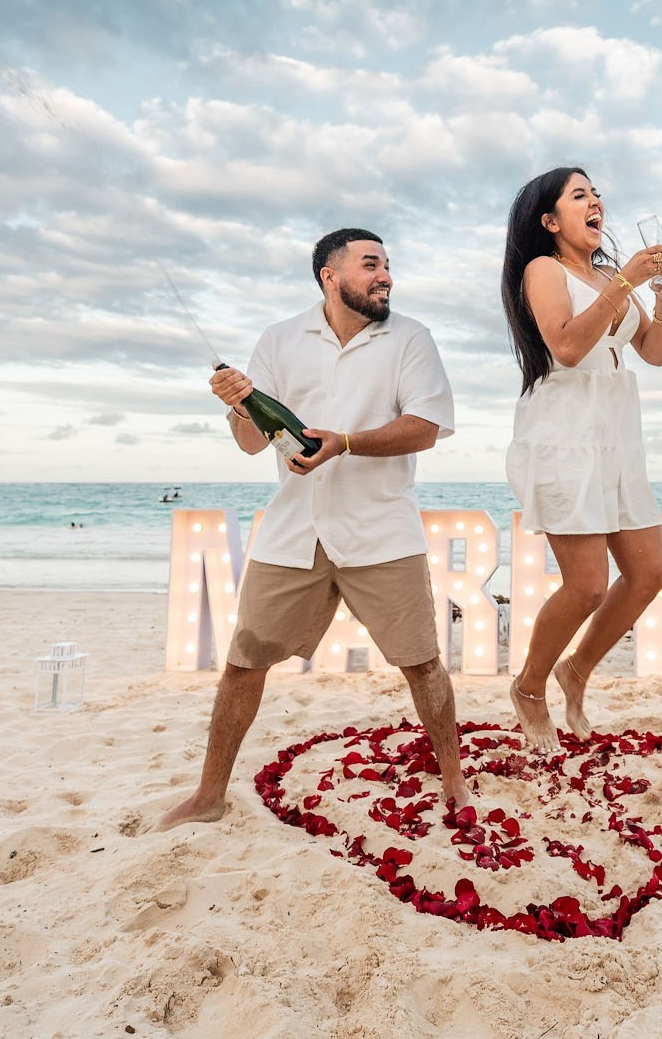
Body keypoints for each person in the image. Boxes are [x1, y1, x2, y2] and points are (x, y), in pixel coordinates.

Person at [157, 228, 473, 830]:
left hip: (382, 530)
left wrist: (345, 442)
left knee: (423, 664)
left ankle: (453, 780)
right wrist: (237, 404)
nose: (385, 275)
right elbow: (253, 443)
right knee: (243, 664)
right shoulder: (279, 339)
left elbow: (427, 427)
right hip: (294, 529)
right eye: (370, 264)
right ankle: (209, 795)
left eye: (387, 265)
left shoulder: (410, 338)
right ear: (329, 276)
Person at [499, 168, 662, 753]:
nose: (596, 200)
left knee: (650, 573)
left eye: (597, 193)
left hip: (618, 436)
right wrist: (625, 281)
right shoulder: (543, 270)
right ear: (550, 221)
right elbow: (570, 348)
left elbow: (652, 353)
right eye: (580, 195)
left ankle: (574, 671)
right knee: (586, 587)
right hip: (565, 434)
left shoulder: (605, 276)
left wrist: (659, 296)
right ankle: (529, 686)